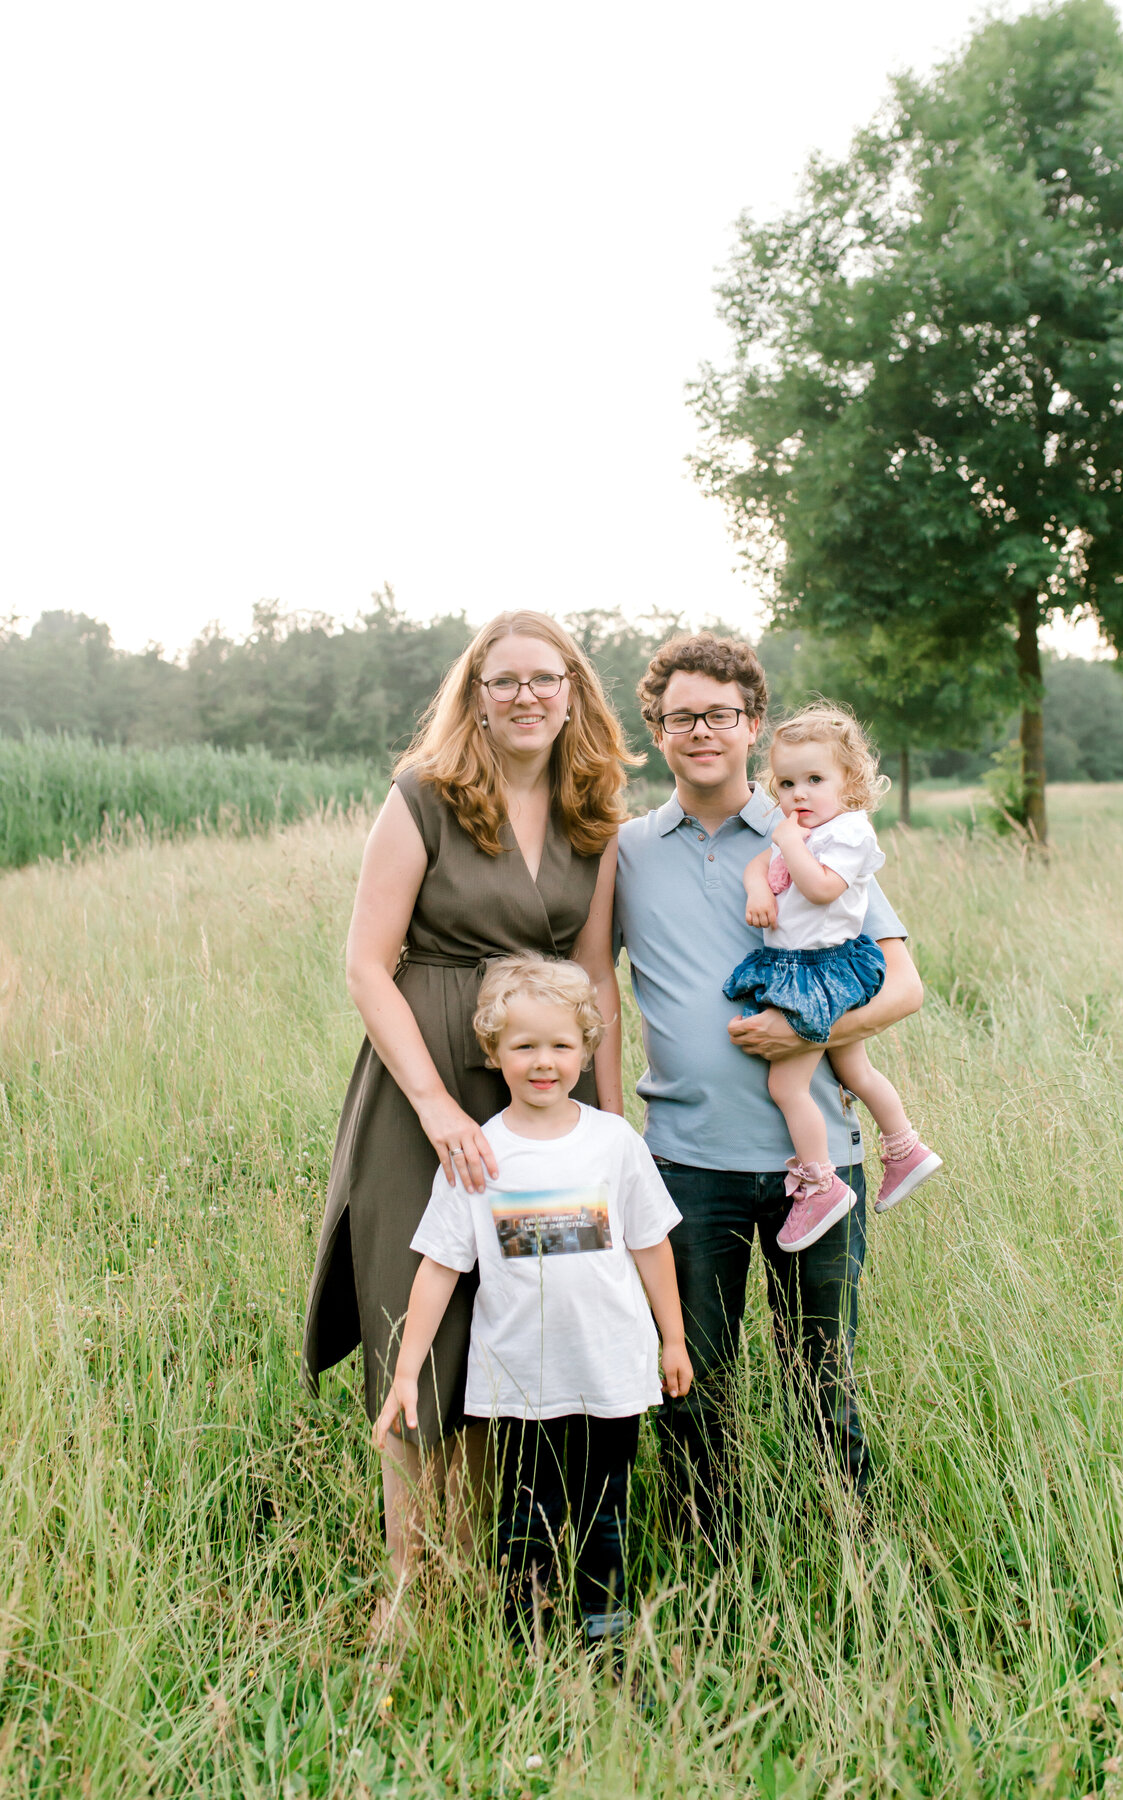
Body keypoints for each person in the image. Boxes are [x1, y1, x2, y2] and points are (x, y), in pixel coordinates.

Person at [302, 611, 635, 1638]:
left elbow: (594, 982)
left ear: (573, 692)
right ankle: (414, 1584)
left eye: (546, 679)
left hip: (541, 1085)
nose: (526, 696)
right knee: (423, 1310)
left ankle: (495, 1569)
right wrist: (439, 1104)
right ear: (476, 696)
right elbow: (367, 964)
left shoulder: (596, 814)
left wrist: (607, 1132)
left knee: (521, 1307)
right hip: (428, 1079)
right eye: (505, 681)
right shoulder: (425, 800)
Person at [613, 633, 924, 1531]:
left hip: (813, 1166)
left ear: (752, 723)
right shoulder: (627, 852)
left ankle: (857, 1567)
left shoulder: (817, 836)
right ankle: (712, 1578)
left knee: (822, 1383)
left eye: (720, 714)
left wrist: (803, 1028)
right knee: (692, 1389)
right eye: (681, 717)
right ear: (658, 732)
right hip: (685, 1162)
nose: (701, 730)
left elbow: (904, 986)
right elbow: (595, 984)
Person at [373, 954, 692, 1647]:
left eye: (560, 1045)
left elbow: (650, 1244)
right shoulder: (480, 1154)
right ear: (494, 1052)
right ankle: (530, 1644)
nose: (543, 1062)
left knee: (606, 1510)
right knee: (528, 1517)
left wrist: (673, 1339)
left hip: (610, 1372)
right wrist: (406, 1371)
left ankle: (606, 1642)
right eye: (524, 1046)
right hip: (522, 1382)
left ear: (586, 1048)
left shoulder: (613, 1142)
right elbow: (438, 1268)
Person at [725, 703, 942, 1253]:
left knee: (786, 1083)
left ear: (851, 784)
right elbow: (761, 866)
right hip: (803, 964)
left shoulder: (848, 832)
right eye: (788, 782)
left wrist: (790, 842)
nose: (799, 794)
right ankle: (904, 1148)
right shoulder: (804, 829)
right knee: (852, 1067)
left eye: (815, 780)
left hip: (819, 969)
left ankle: (818, 1186)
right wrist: (757, 889)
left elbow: (822, 889)